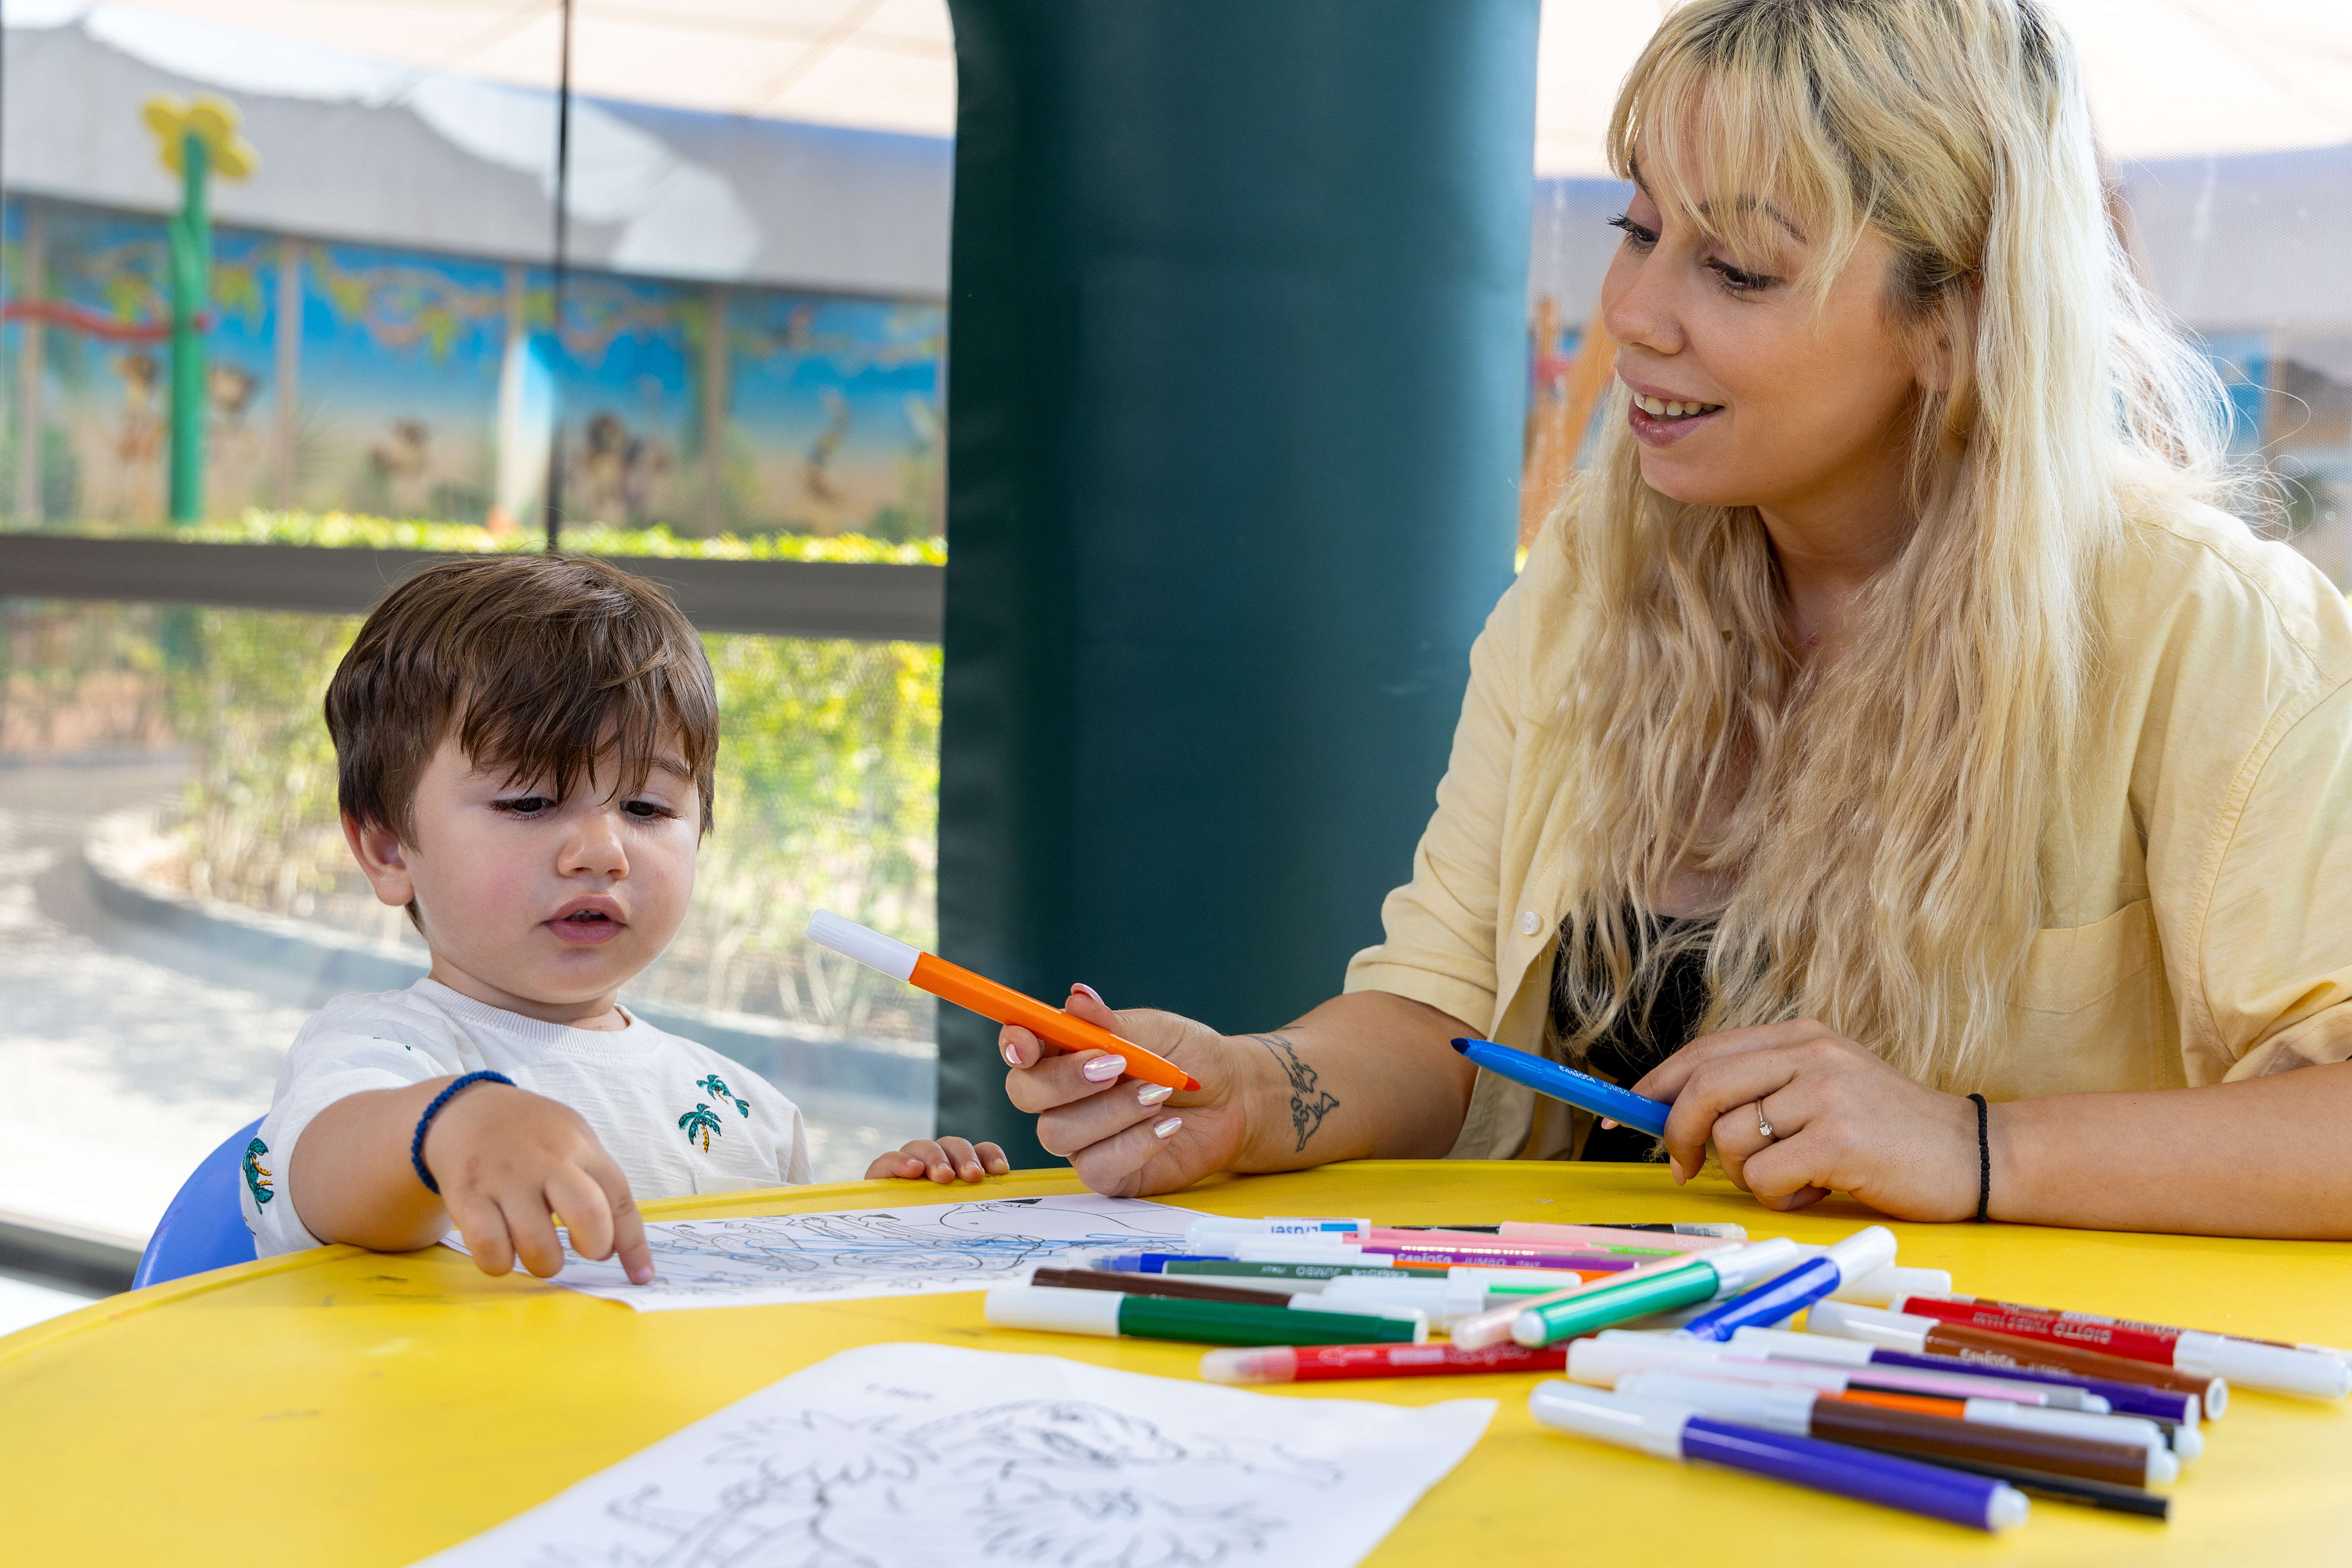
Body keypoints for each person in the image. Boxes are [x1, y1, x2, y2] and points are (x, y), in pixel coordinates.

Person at [994, 0, 2352, 1239]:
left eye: (1740, 270)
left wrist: (1977, 1149)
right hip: (1585, 1386)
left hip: (1945, 1434)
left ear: (1958, 320)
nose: (1636, 315)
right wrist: (1248, 1085)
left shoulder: (2207, 628)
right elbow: (1441, 1014)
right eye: (1638, 231)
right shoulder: (1598, 575)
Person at [242, 555, 1004, 1283]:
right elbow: (320, 1167)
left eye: (646, 807)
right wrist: (450, 1127)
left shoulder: (743, 1106)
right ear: (386, 846)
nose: (603, 850)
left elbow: (769, 1305)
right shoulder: (379, 1053)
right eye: (530, 802)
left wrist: (880, 1215)